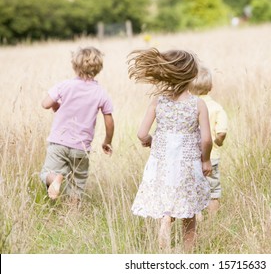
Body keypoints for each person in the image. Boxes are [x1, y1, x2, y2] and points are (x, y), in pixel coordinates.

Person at [128, 48, 212, 253]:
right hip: (188, 162)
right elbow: (207, 139)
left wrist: (149, 140)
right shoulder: (198, 104)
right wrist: (206, 160)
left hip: (163, 162)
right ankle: (187, 253)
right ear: (191, 75)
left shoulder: (158, 101)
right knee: (188, 211)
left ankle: (164, 238)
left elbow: (141, 133)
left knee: (167, 206)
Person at [40, 46, 114, 205]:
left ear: (74, 65)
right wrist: (107, 141)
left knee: (47, 172)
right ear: (98, 68)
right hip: (81, 147)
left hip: (58, 142)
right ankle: (73, 215)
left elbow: (45, 104)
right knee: (77, 183)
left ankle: (55, 178)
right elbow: (109, 119)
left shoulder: (65, 85)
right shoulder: (100, 92)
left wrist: (55, 105)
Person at [189, 66, 228, 219]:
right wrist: (218, 142)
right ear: (210, 87)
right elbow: (222, 132)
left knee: (194, 189)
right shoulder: (217, 108)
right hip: (212, 157)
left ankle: (197, 218)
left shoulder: (190, 106)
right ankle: (213, 221)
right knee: (213, 191)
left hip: (192, 156)